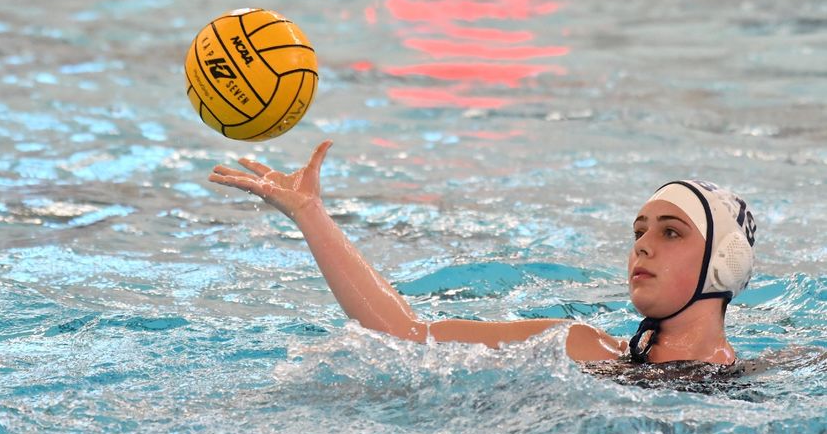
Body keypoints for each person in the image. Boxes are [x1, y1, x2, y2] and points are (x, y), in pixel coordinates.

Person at [208, 140, 757, 366]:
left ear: (725, 263)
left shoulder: (771, 379)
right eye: (640, 229)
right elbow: (406, 333)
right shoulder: (581, 348)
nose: (642, 243)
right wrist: (310, 214)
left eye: (671, 232)